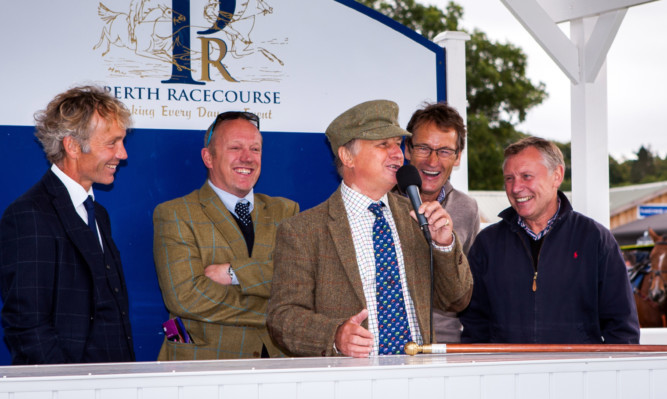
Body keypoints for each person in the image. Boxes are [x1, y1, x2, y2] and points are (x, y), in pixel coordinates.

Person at [267, 100, 473, 357]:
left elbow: (455, 300)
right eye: (383, 144)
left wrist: (444, 245)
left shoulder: (416, 218)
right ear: (347, 156)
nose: (398, 154)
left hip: (420, 377)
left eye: (397, 144)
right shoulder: (303, 231)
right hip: (349, 383)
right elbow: (283, 317)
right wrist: (335, 335)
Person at [0, 85, 135, 364]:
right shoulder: (29, 215)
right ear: (72, 146)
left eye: (122, 142)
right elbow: (28, 327)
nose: (122, 154)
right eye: (111, 143)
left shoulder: (99, 214)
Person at [459, 136, 640, 344]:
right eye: (509, 178)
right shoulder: (487, 244)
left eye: (526, 176)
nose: (516, 188)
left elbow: (622, 328)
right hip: (507, 374)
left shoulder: (595, 239)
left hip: (578, 374)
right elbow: (474, 325)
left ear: (557, 175)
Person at [153, 111, 299, 360]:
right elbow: (186, 298)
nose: (247, 158)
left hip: (278, 363)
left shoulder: (286, 211)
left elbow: (296, 282)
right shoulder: (175, 213)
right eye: (235, 147)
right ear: (208, 157)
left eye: (255, 149)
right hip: (204, 366)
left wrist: (234, 273)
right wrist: (276, 312)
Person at [403, 102, 480, 343]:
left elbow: (466, 287)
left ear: (457, 158)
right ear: (407, 150)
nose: (433, 160)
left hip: (447, 347)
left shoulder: (467, 208)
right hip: (390, 346)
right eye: (424, 148)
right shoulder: (381, 202)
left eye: (445, 151)